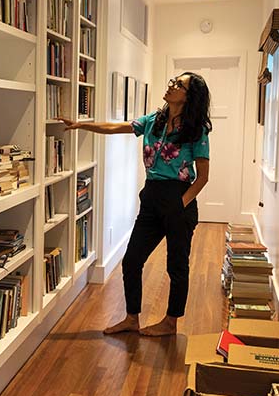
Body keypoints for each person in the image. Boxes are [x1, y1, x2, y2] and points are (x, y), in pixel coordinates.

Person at [60, 72, 212, 336]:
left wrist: (181, 204)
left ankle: (170, 322)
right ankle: (132, 318)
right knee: (132, 260)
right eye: (173, 80)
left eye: (179, 85)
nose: (171, 85)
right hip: (152, 197)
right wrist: (81, 125)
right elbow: (115, 127)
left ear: (189, 97)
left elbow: (203, 177)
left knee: (176, 266)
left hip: (179, 200)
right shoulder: (154, 120)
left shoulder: (195, 131)